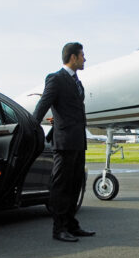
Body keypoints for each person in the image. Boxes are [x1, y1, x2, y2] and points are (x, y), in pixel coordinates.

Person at [33, 42, 96, 242]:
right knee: (62, 186)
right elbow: (44, 103)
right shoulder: (56, 79)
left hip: (78, 141)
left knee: (75, 184)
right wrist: (33, 127)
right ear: (73, 57)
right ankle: (58, 229)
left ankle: (71, 224)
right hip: (65, 142)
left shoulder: (77, 81)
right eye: (82, 55)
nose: (85, 59)